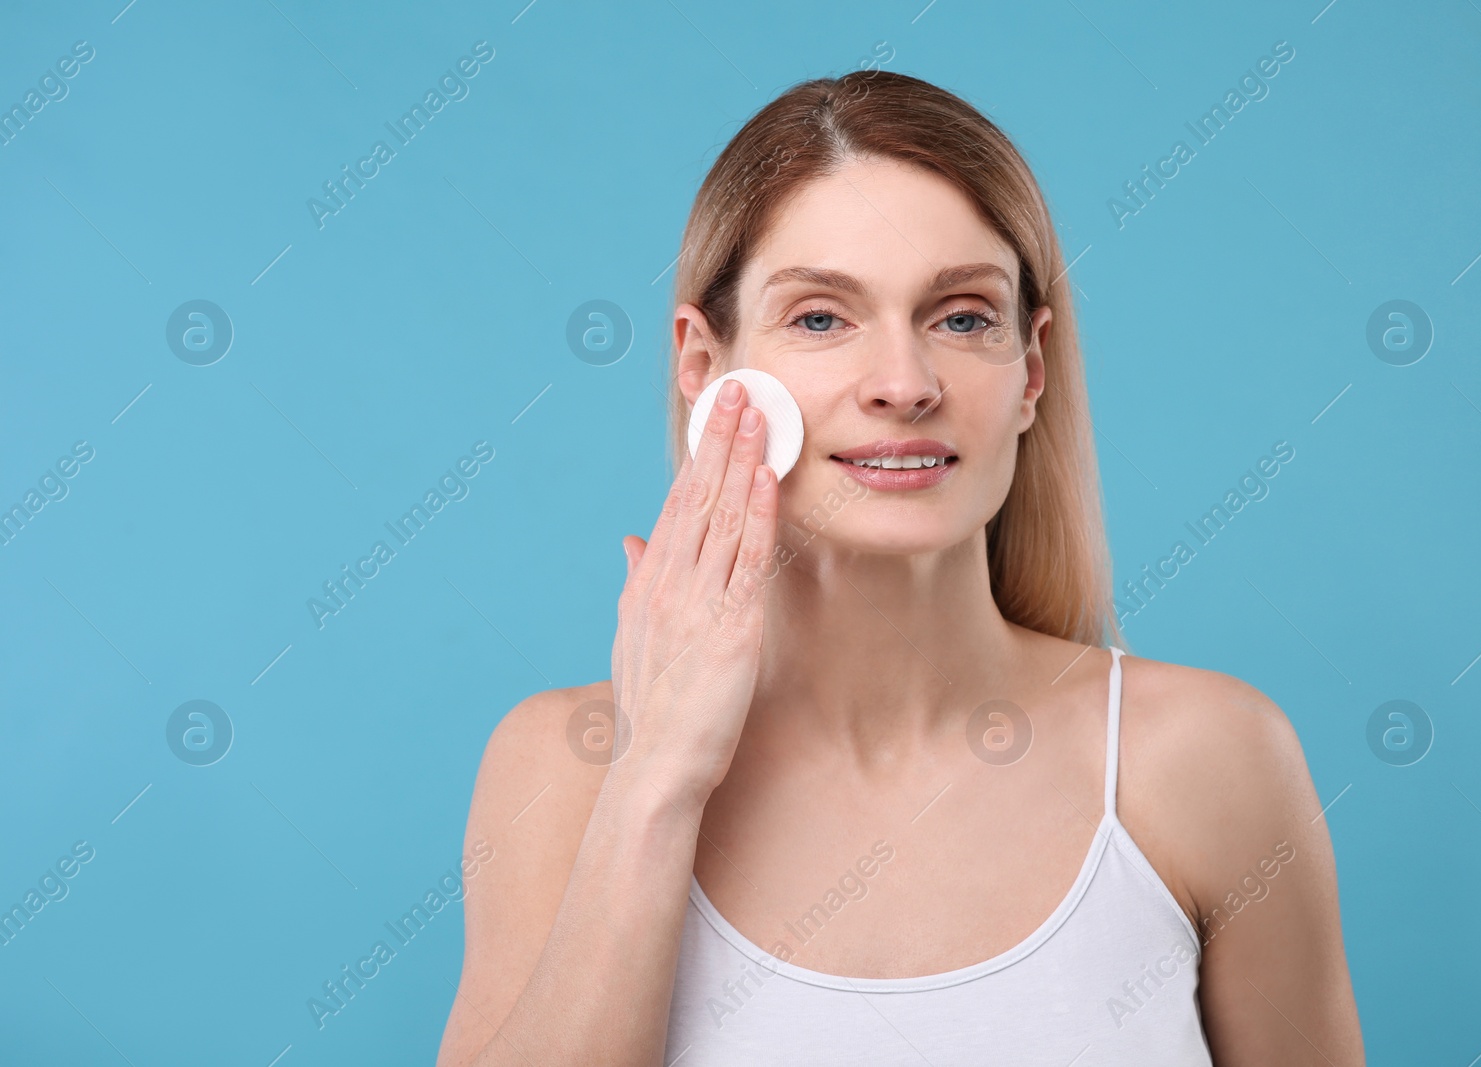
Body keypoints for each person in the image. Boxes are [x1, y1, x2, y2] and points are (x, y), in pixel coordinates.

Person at [437, 70, 1364, 1066]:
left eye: (961, 317)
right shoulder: (562, 768)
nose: (904, 385)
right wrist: (656, 777)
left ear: (1030, 372)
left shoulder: (1207, 760)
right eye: (822, 317)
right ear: (704, 369)